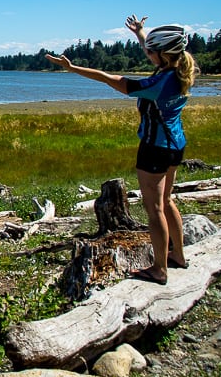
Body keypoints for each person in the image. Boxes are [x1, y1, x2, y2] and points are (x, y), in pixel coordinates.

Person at [46, 14, 198, 285]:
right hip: (176, 145)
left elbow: (109, 78)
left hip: (154, 148)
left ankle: (160, 268)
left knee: (155, 210)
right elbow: (153, 54)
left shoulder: (157, 84)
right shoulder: (178, 71)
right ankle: (179, 256)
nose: (147, 53)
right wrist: (141, 34)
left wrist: (73, 68)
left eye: (151, 50)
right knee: (168, 201)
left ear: (163, 54)